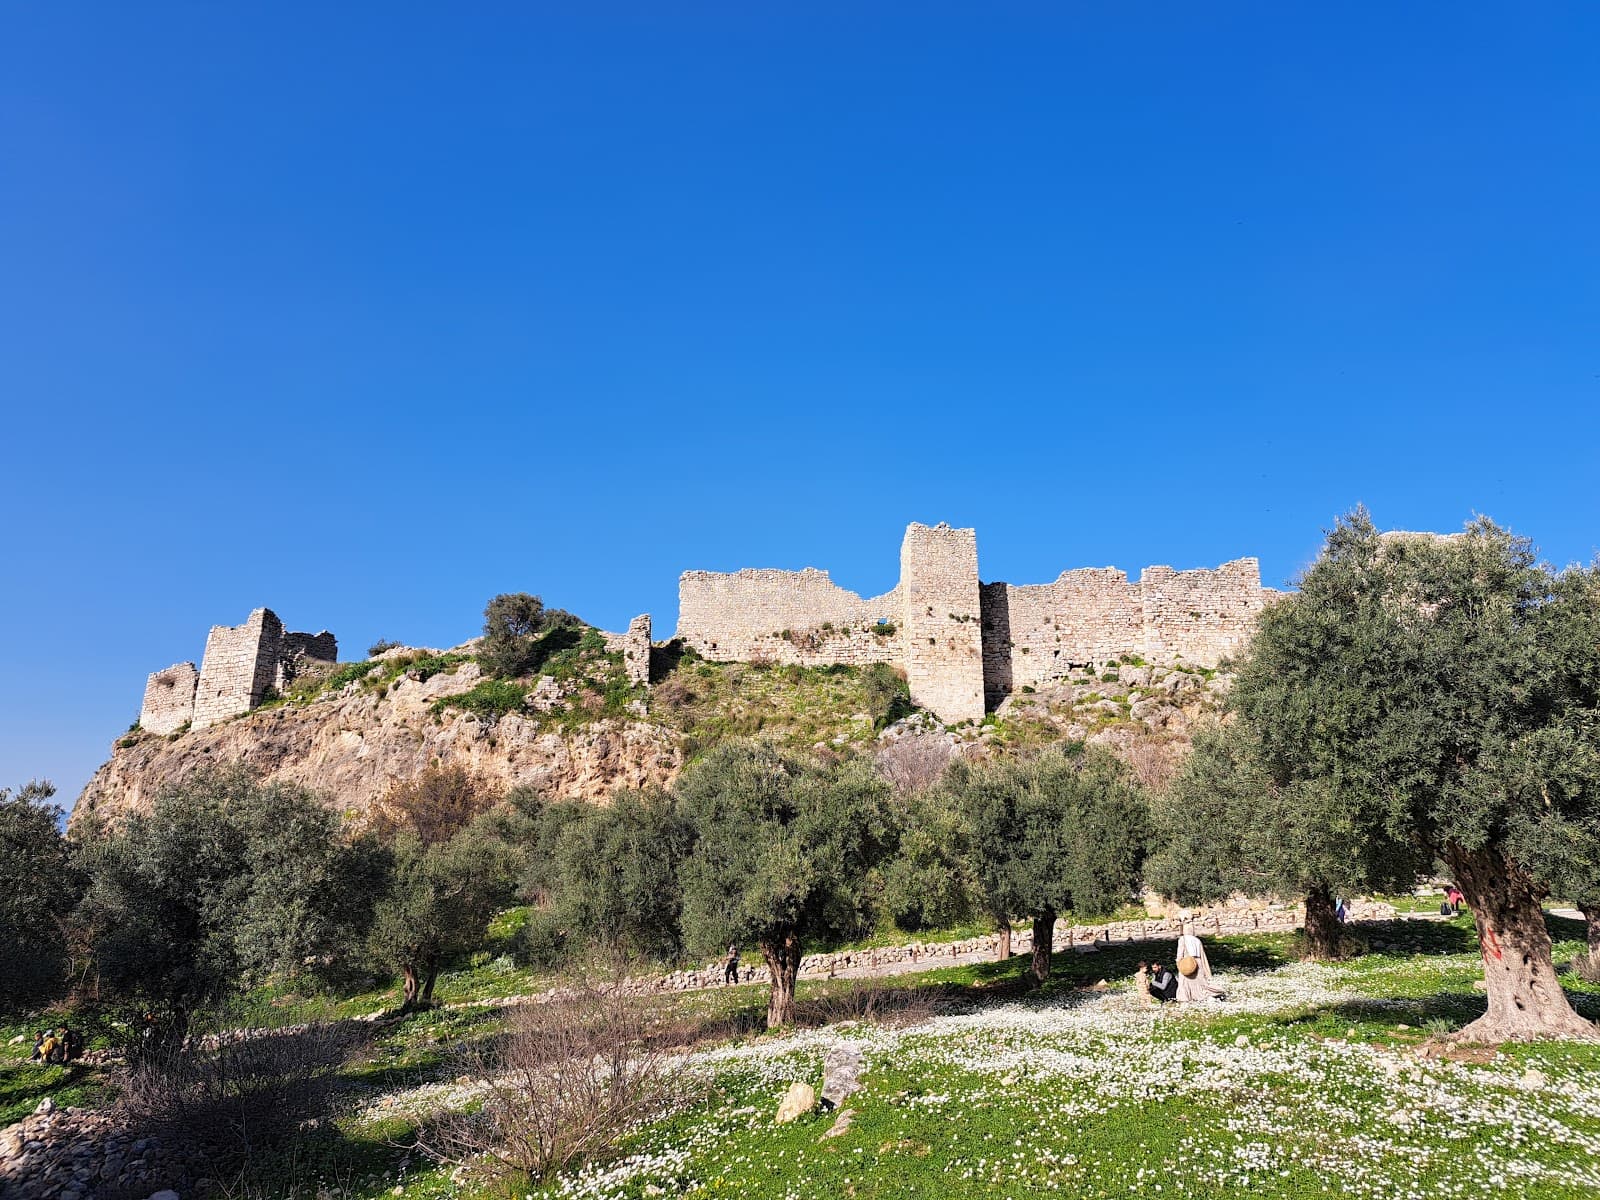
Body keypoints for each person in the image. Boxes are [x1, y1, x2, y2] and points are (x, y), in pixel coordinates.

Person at [1174, 923, 1226, 1002]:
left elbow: (1180, 953)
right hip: (1198, 963)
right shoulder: (1197, 940)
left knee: (1184, 982)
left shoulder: (1182, 939)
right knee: (1200, 982)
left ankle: (1185, 997)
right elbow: (1202, 954)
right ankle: (1207, 995)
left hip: (1187, 962)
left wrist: (1178, 962)